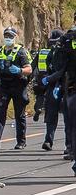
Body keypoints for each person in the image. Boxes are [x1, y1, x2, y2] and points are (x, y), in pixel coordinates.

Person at [0, 27, 33, 151]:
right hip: (4, 86)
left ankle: (21, 141)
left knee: (19, 115)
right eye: (6, 36)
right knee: (0, 114)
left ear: (15, 37)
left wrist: (20, 70)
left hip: (18, 85)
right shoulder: (0, 51)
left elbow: (29, 69)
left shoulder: (20, 51)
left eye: (10, 36)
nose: (8, 38)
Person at [45, 16, 76, 172]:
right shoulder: (65, 40)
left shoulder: (66, 40)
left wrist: (50, 79)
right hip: (67, 87)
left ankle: (71, 151)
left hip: (70, 87)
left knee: (71, 124)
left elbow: (60, 67)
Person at [37, 29, 66, 151]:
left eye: (56, 42)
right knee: (50, 115)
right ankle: (48, 140)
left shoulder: (68, 52)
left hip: (67, 84)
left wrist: (50, 78)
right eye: (52, 42)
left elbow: (64, 70)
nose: (54, 45)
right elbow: (43, 70)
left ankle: (69, 145)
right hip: (53, 86)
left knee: (69, 117)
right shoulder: (50, 53)